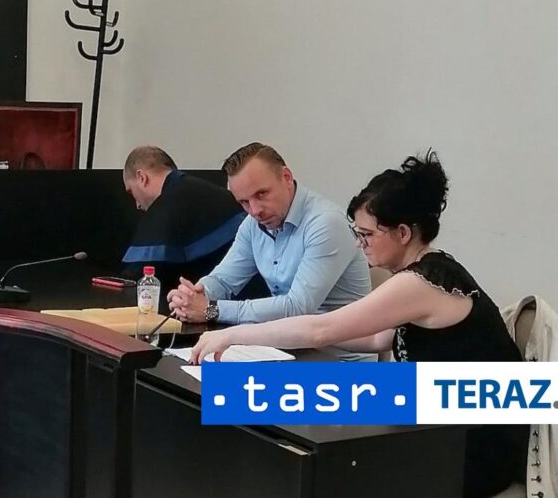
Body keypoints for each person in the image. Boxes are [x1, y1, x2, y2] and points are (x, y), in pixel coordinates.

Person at [189, 150, 527, 498]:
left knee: (327, 461)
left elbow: (321, 330)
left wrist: (233, 334)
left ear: (402, 233)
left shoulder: (419, 283)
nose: (359, 243)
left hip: (474, 446)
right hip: (445, 425)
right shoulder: (432, 270)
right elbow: (376, 338)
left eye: (366, 234)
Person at [167, 142, 373, 360]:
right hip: (284, 350)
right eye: (244, 202)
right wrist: (195, 295)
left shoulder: (326, 223)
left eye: (261, 194)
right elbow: (224, 280)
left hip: (340, 362)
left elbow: (296, 307)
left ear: (286, 177)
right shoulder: (252, 225)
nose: (255, 210)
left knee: (213, 378)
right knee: (186, 370)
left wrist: (211, 309)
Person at [122, 145, 246, 290]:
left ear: (142, 178)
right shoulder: (217, 194)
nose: (137, 205)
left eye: (131, 192)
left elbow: (138, 275)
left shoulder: (164, 211)